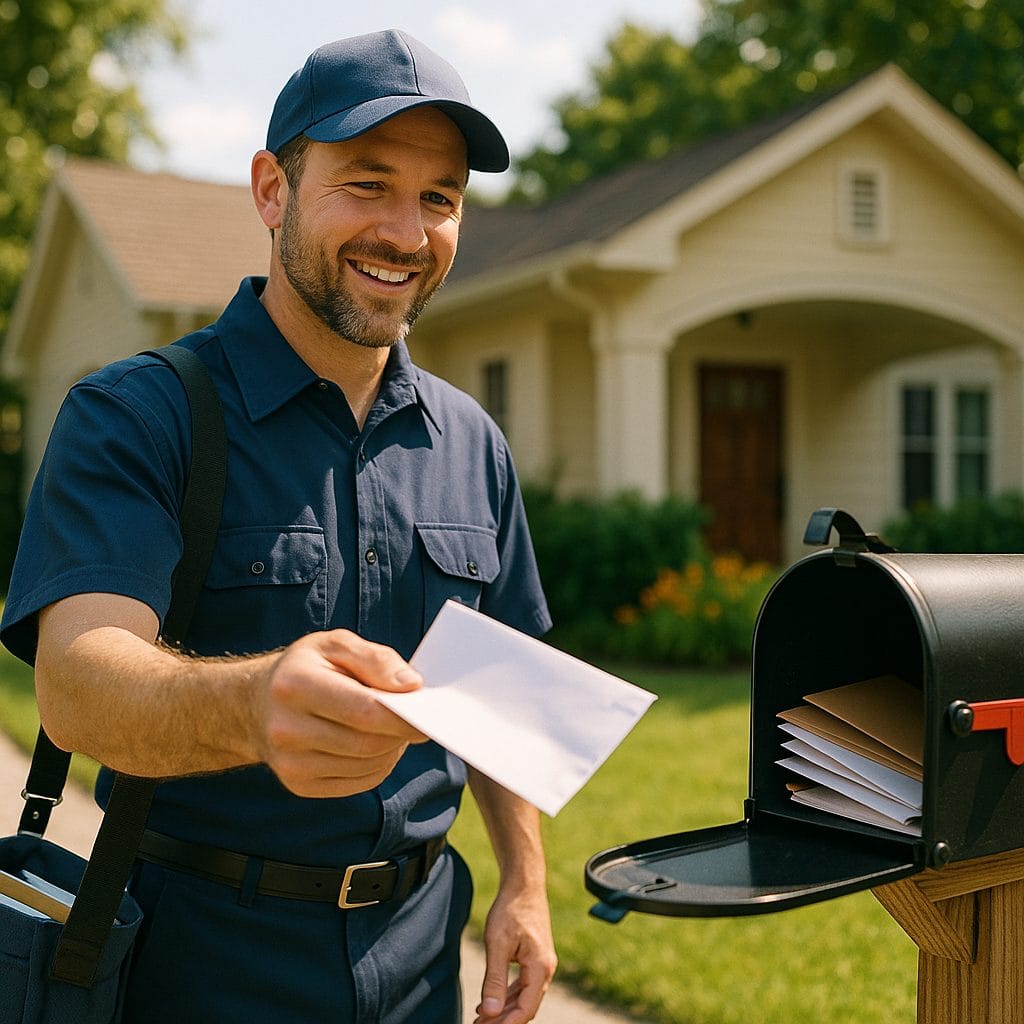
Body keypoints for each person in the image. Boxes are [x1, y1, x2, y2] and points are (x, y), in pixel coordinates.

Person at [1, 28, 557, 1024]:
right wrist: (254, 703)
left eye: (439, 198)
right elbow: (76, 686)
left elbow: (501, 688)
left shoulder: (474, 442)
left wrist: (524, 881)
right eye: (368, 183)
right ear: (272, 190)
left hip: (424, 962)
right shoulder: (138, 415)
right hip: (198, 962)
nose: (406, 232)